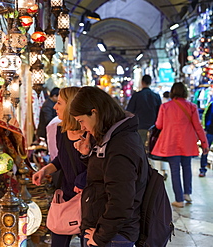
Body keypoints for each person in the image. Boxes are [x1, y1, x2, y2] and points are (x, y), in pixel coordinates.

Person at [70, 86, 149, 247]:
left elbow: (121, 200)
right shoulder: (112, 138)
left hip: (114, 236)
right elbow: (105, 175)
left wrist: (101, 236)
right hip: (109, 231)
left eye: (81, 121)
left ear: (94, 112)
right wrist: (87, 154)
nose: (82, 127)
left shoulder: (120, 145)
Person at [32, 87, 87, 247]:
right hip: (66, 195)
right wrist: (45, 170)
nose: (55, 107)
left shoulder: (91, 133)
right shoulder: (60, 130)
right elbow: (61, 159)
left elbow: (98, 167)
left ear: (71, 105)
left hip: (88, 198)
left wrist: (82, 181)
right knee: (58, 240)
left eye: (59, 103)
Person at [151, 82, 209, 208]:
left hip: (171, 143)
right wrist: (204, 143)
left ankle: (179, 199)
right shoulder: (192, 106)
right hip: (187, 143)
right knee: (187, 168)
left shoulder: (165, 107)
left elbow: (159, 125)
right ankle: (187, 194)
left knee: (175, 171)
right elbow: (198, 127)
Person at [126, 75, 161, 144]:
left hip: (140, 126)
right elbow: (159, 112)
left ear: (142, 82)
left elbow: (130, 111)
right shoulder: (156, 96)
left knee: (140, 147)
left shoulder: (136, 95)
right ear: (150, 83)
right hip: (153, 127)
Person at [200, 101, 213, 177]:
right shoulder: (211, 104)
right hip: (210, 131)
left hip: (209, 131)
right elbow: (205, 115)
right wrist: (204, 128)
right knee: (205, 150)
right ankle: (202, 169)